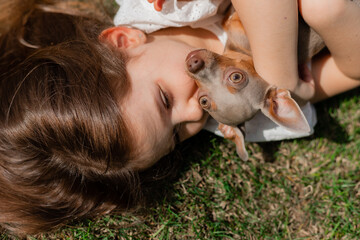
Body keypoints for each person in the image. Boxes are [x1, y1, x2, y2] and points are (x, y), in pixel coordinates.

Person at [0, 0, 359, 236]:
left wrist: (278, 72)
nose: (192, 113)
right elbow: (351, 71)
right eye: (175, 138)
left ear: (123, 41)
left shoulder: (169, 5)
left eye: (164, 99)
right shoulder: (239, 118)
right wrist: (331, 26)